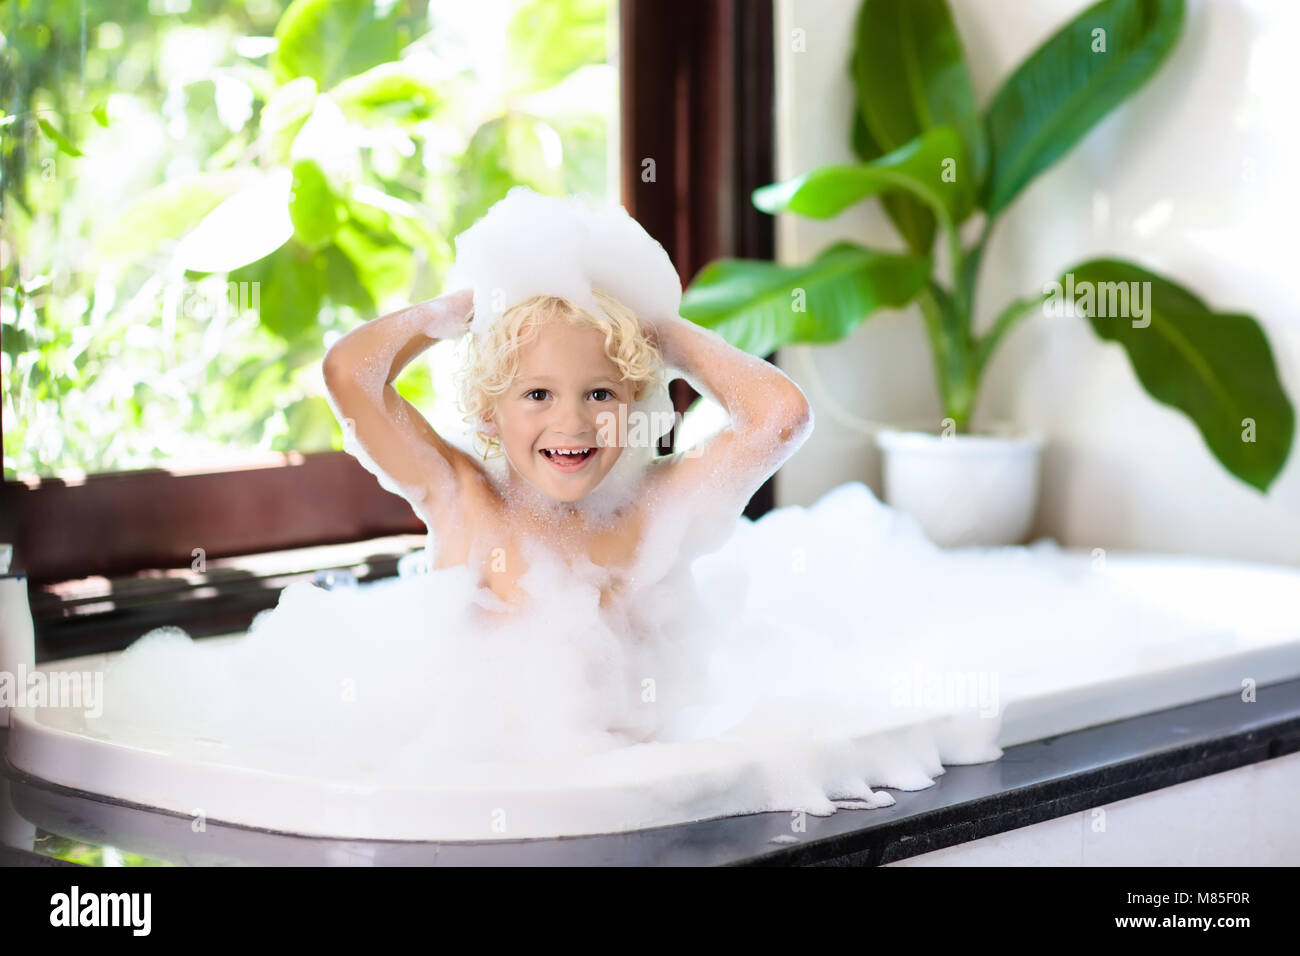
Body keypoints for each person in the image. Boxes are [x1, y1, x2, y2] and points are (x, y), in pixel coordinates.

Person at [321, 284, 813, 623]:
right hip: (486, 767)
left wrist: (663, 333)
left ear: (633, 404)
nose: (573, 424)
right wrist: (470, 304)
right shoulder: (462, 497)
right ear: (488, 413)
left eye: (600, 395)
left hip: (626, 767)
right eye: (538, 396)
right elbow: (349, 372)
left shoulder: (654, 507)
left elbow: (781, 417)